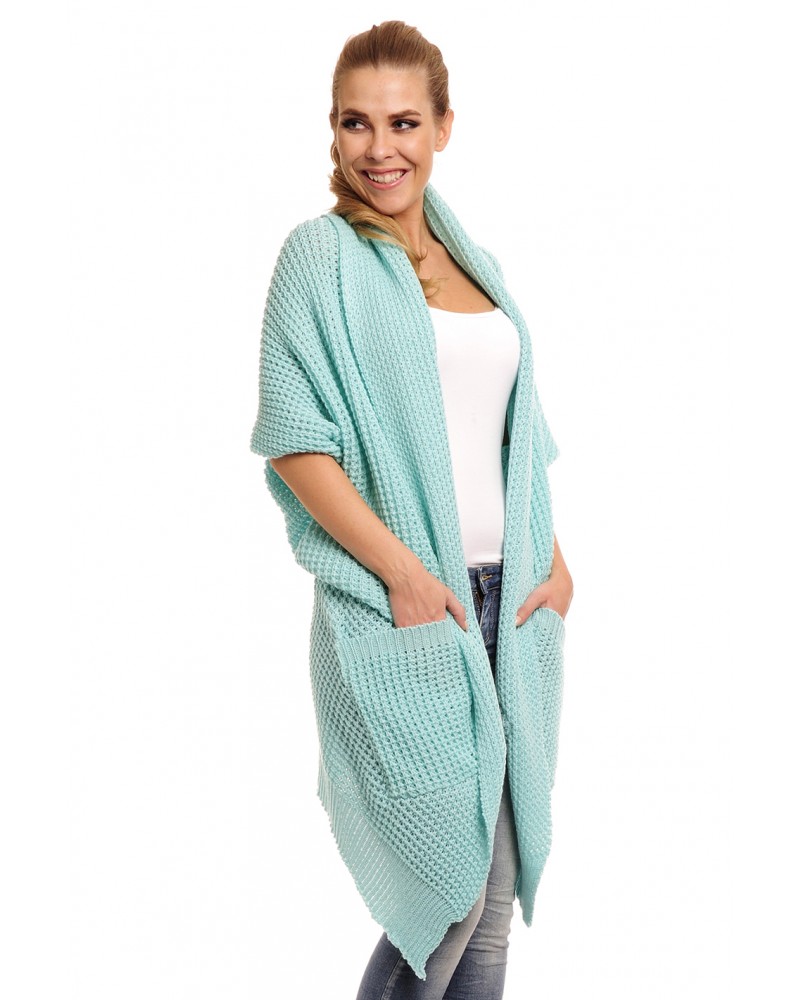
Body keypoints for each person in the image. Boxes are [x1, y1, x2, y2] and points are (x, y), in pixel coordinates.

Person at [249, 20, 573, 999]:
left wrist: (554, 557)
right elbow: (298, 442)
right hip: (410, 600)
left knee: (489, 911)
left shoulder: (478, 265)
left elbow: (512, 435)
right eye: (356, 122)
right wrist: (402, 573)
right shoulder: (321, 259)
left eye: (402, 122)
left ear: (442, 127)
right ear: (333, 129)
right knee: (445, 899)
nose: (379, 147)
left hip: (510, 605)